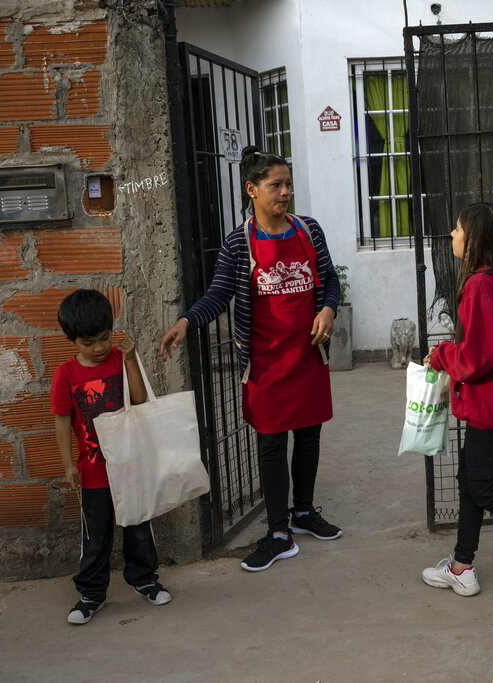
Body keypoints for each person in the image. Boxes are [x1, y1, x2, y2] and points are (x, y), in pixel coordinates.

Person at [160, 146, 343, 572]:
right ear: (251, 190)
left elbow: (329, 279)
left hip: (308, 355)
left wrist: (328, 309)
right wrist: (188, 321)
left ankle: (303, 513)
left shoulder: (309, 231)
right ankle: (279, 532)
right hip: (266, 362)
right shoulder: (238, 244)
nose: (285, 193)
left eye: (288, 185)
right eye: (275, 185)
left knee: (310, 436)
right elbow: (219, 293)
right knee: (271, 444)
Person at [420, 202, 493, 597]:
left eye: (456, 230)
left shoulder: (481, 285)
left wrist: (441, 355)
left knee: (483, 488)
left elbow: (478, 355)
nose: (451, 236)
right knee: (469, 478)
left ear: (474, 242)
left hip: (488, 403)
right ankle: (461, 566)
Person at [52, 289, 172, 624]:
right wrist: (67, 464)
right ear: (72, 339)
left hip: (130, 466)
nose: (99, 348)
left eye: (104, 339)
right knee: (95, 535)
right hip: (92, 472)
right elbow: (61, 420)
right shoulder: (66, 375)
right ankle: (91, 593)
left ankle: (145, 579)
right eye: (88, 343)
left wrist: (131, 359)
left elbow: (139, 398)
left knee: (137, 524)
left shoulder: (120, 359)